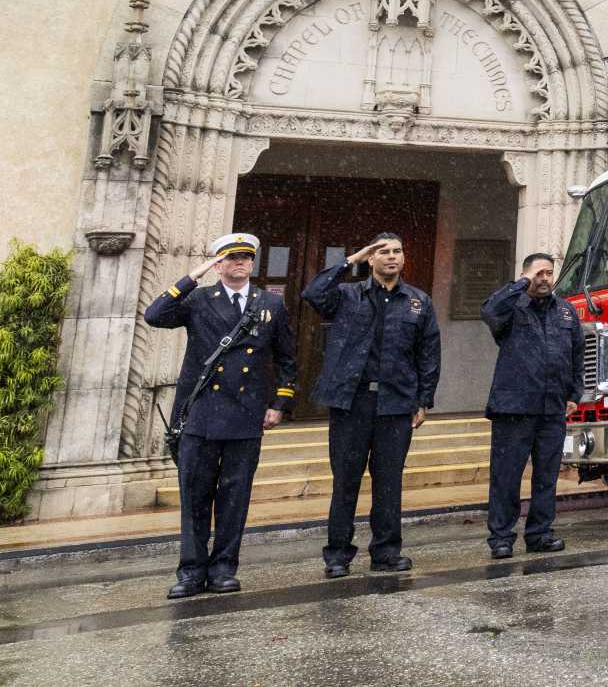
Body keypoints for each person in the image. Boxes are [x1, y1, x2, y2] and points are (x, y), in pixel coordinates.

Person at [142, 230, 295, 599]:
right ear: (219, 264)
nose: (239, 263)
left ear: (252, 263)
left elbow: (287, 359)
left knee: (234, 496)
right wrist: (191, 275)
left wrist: (279, 404)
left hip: (245, 415)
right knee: (195, 497)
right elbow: (154, 315)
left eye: (245, 258)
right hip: (200, 415)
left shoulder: (268, 304)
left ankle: (225, 568)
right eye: (230, 258)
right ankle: (192, 572)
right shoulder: (199, 299)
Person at [304, 235, 441, 578]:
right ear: (371, 259)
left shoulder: (418, 302)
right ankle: (337, 555)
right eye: (383, 252)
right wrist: (350, 260)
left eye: (397, 251)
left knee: (389, 482)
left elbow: (429, 355)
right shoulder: (347, 295)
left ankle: (386, 552)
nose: (391, 257)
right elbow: (313, 293)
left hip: (396, 404)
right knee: (345, 482)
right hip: (352, 401)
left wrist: (424, 399)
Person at [481, 252, 584, 559]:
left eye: (549, 273)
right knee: (506, 476)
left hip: (552, 408)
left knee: (546, 476)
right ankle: (501, 537)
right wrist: (520, 284)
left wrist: (574, 395)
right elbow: (488, 310)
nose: (545, 279)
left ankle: (540, 533)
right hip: (514, 408)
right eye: (538, 273)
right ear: (525, 275)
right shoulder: (510, 307)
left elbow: (577, 356)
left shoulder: (565, 312)